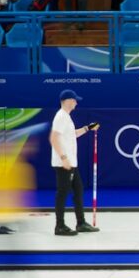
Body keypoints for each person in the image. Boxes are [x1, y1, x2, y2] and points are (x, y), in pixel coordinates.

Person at [49, 90, 100, 237]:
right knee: (62, 193)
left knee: (78, 190)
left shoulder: (66, 117)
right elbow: (54, 138)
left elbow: (72, 135)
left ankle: (81, 223)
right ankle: (59, 226)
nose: (76, 103)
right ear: (68, 100)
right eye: (75, 100)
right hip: (64, 163)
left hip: (71, 162)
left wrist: (88, 128)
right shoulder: (60, 117)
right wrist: (64, 158)